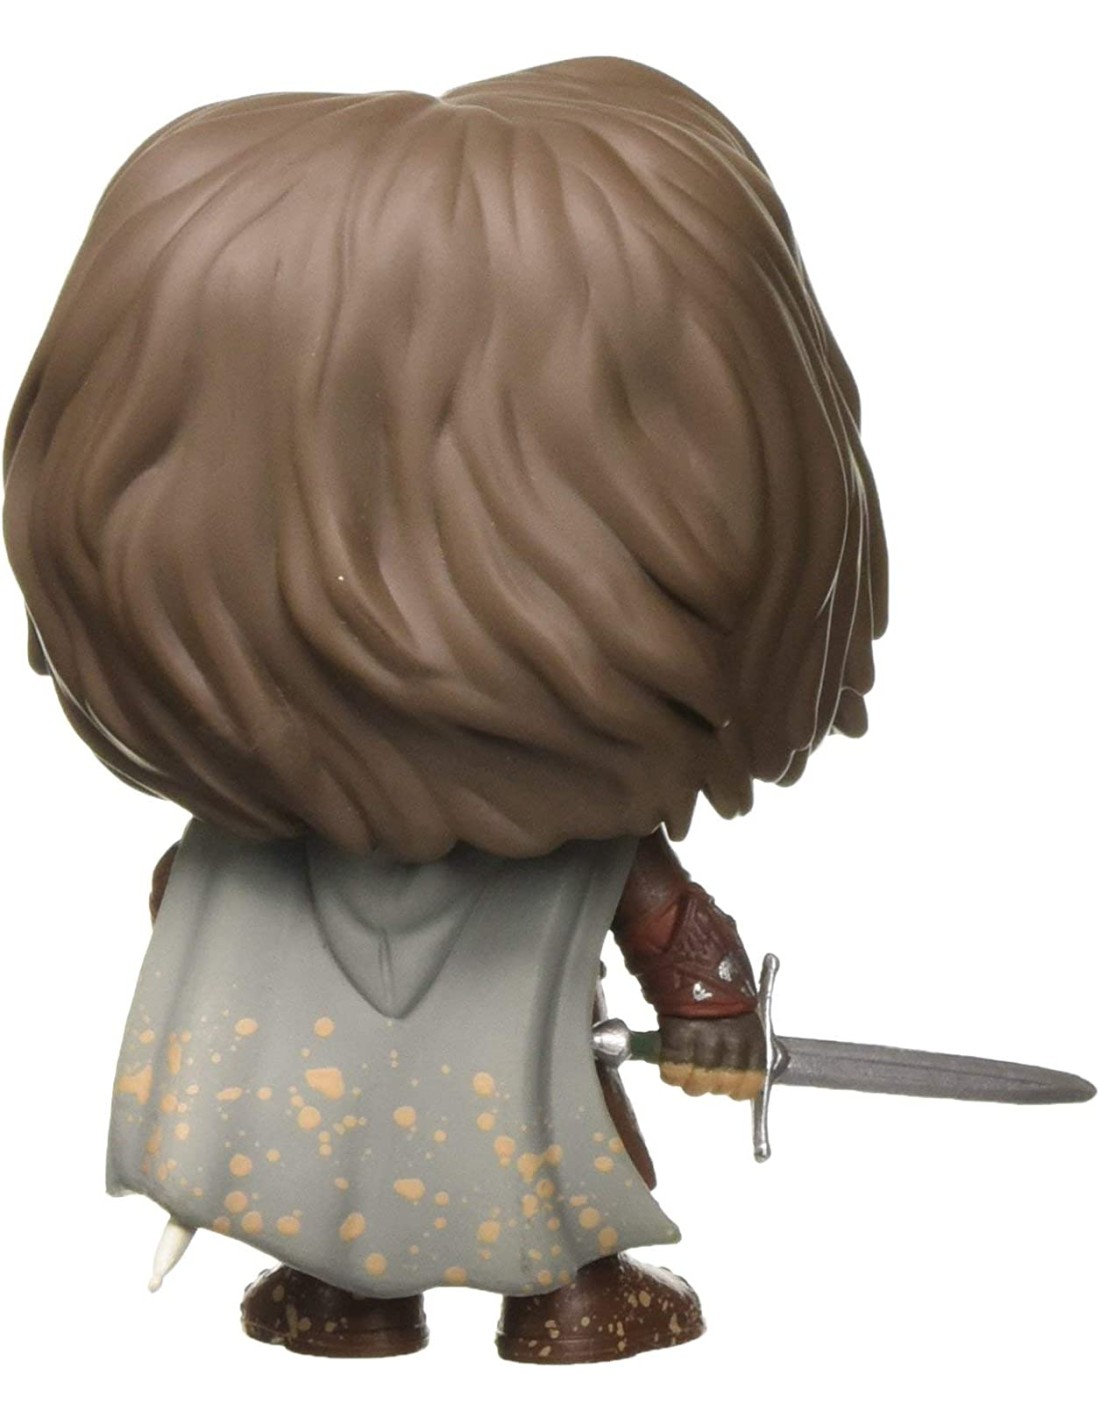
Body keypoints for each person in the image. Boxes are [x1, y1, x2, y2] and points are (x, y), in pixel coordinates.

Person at [2, 56, 886, 1362]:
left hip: (425, 1054)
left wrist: (705, 1003)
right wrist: (709, 1004)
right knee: (441, 1128)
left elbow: (653, 914)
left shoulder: (272, 852)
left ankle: (402, 1283)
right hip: (399, 1054)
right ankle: (400, 1280)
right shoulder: (304, 844)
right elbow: (659, 915)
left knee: (466, 1123)